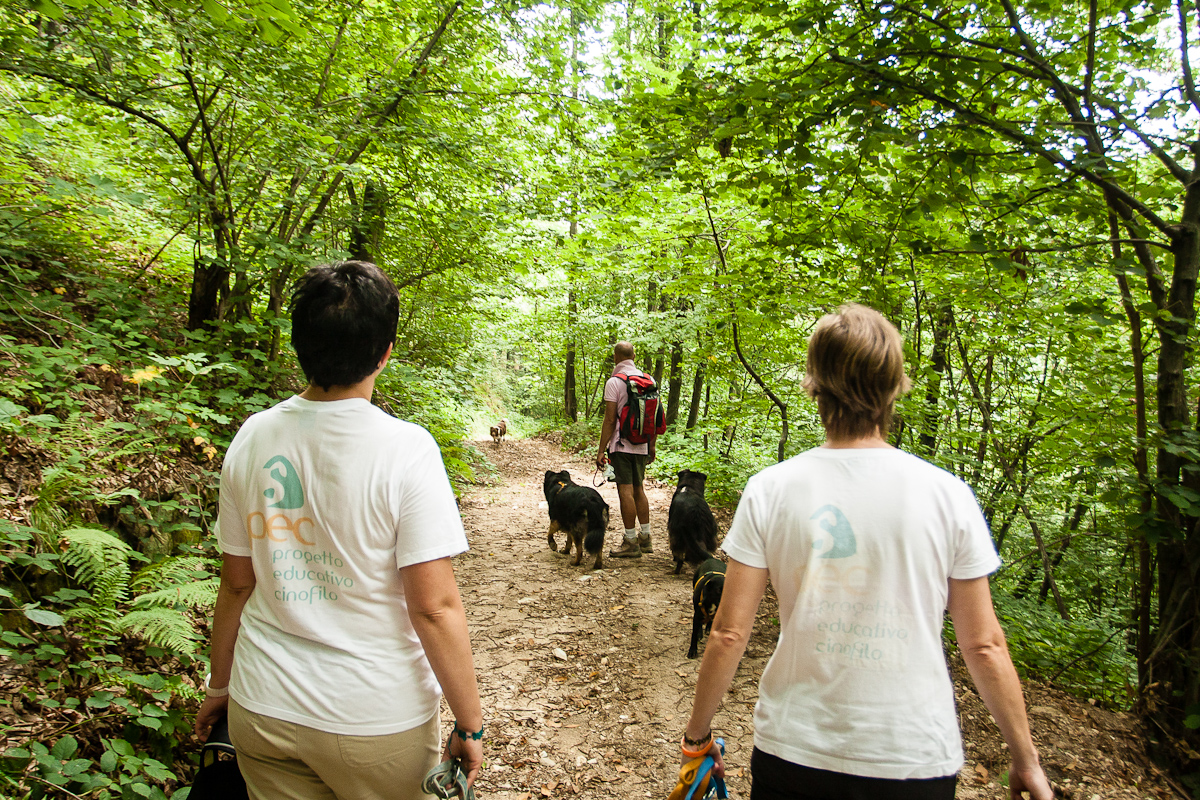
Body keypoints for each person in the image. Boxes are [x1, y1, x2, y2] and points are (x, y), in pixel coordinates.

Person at [676, 304, 1053, 800]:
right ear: (896, 385)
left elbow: (728, 632)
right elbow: (983, 645)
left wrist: (696, 738)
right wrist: (1025, 759)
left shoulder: (772, 488)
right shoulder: (947, 494)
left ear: (813, 384)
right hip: (913, 755)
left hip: (795, 749)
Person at [194, 260, 483, 800]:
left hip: (264, 706)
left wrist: (220, 686)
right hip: (375, 718)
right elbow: (434, 607)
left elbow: (236, 584)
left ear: (299, 343)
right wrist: (469, 723)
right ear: (385, 351)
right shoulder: (406, 450)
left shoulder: (253, 436)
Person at [595, 341, 656, 558]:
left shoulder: (615, 382)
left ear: (615, 357)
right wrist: (651, 445)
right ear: (634, 356)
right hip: (641, 444)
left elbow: (610, 419)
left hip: (621, 445)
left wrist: (601, 450)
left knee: (625, 491)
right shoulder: (649, 380)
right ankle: (646, 537)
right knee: (639, 489)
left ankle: (631, 541)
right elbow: (654, 415)